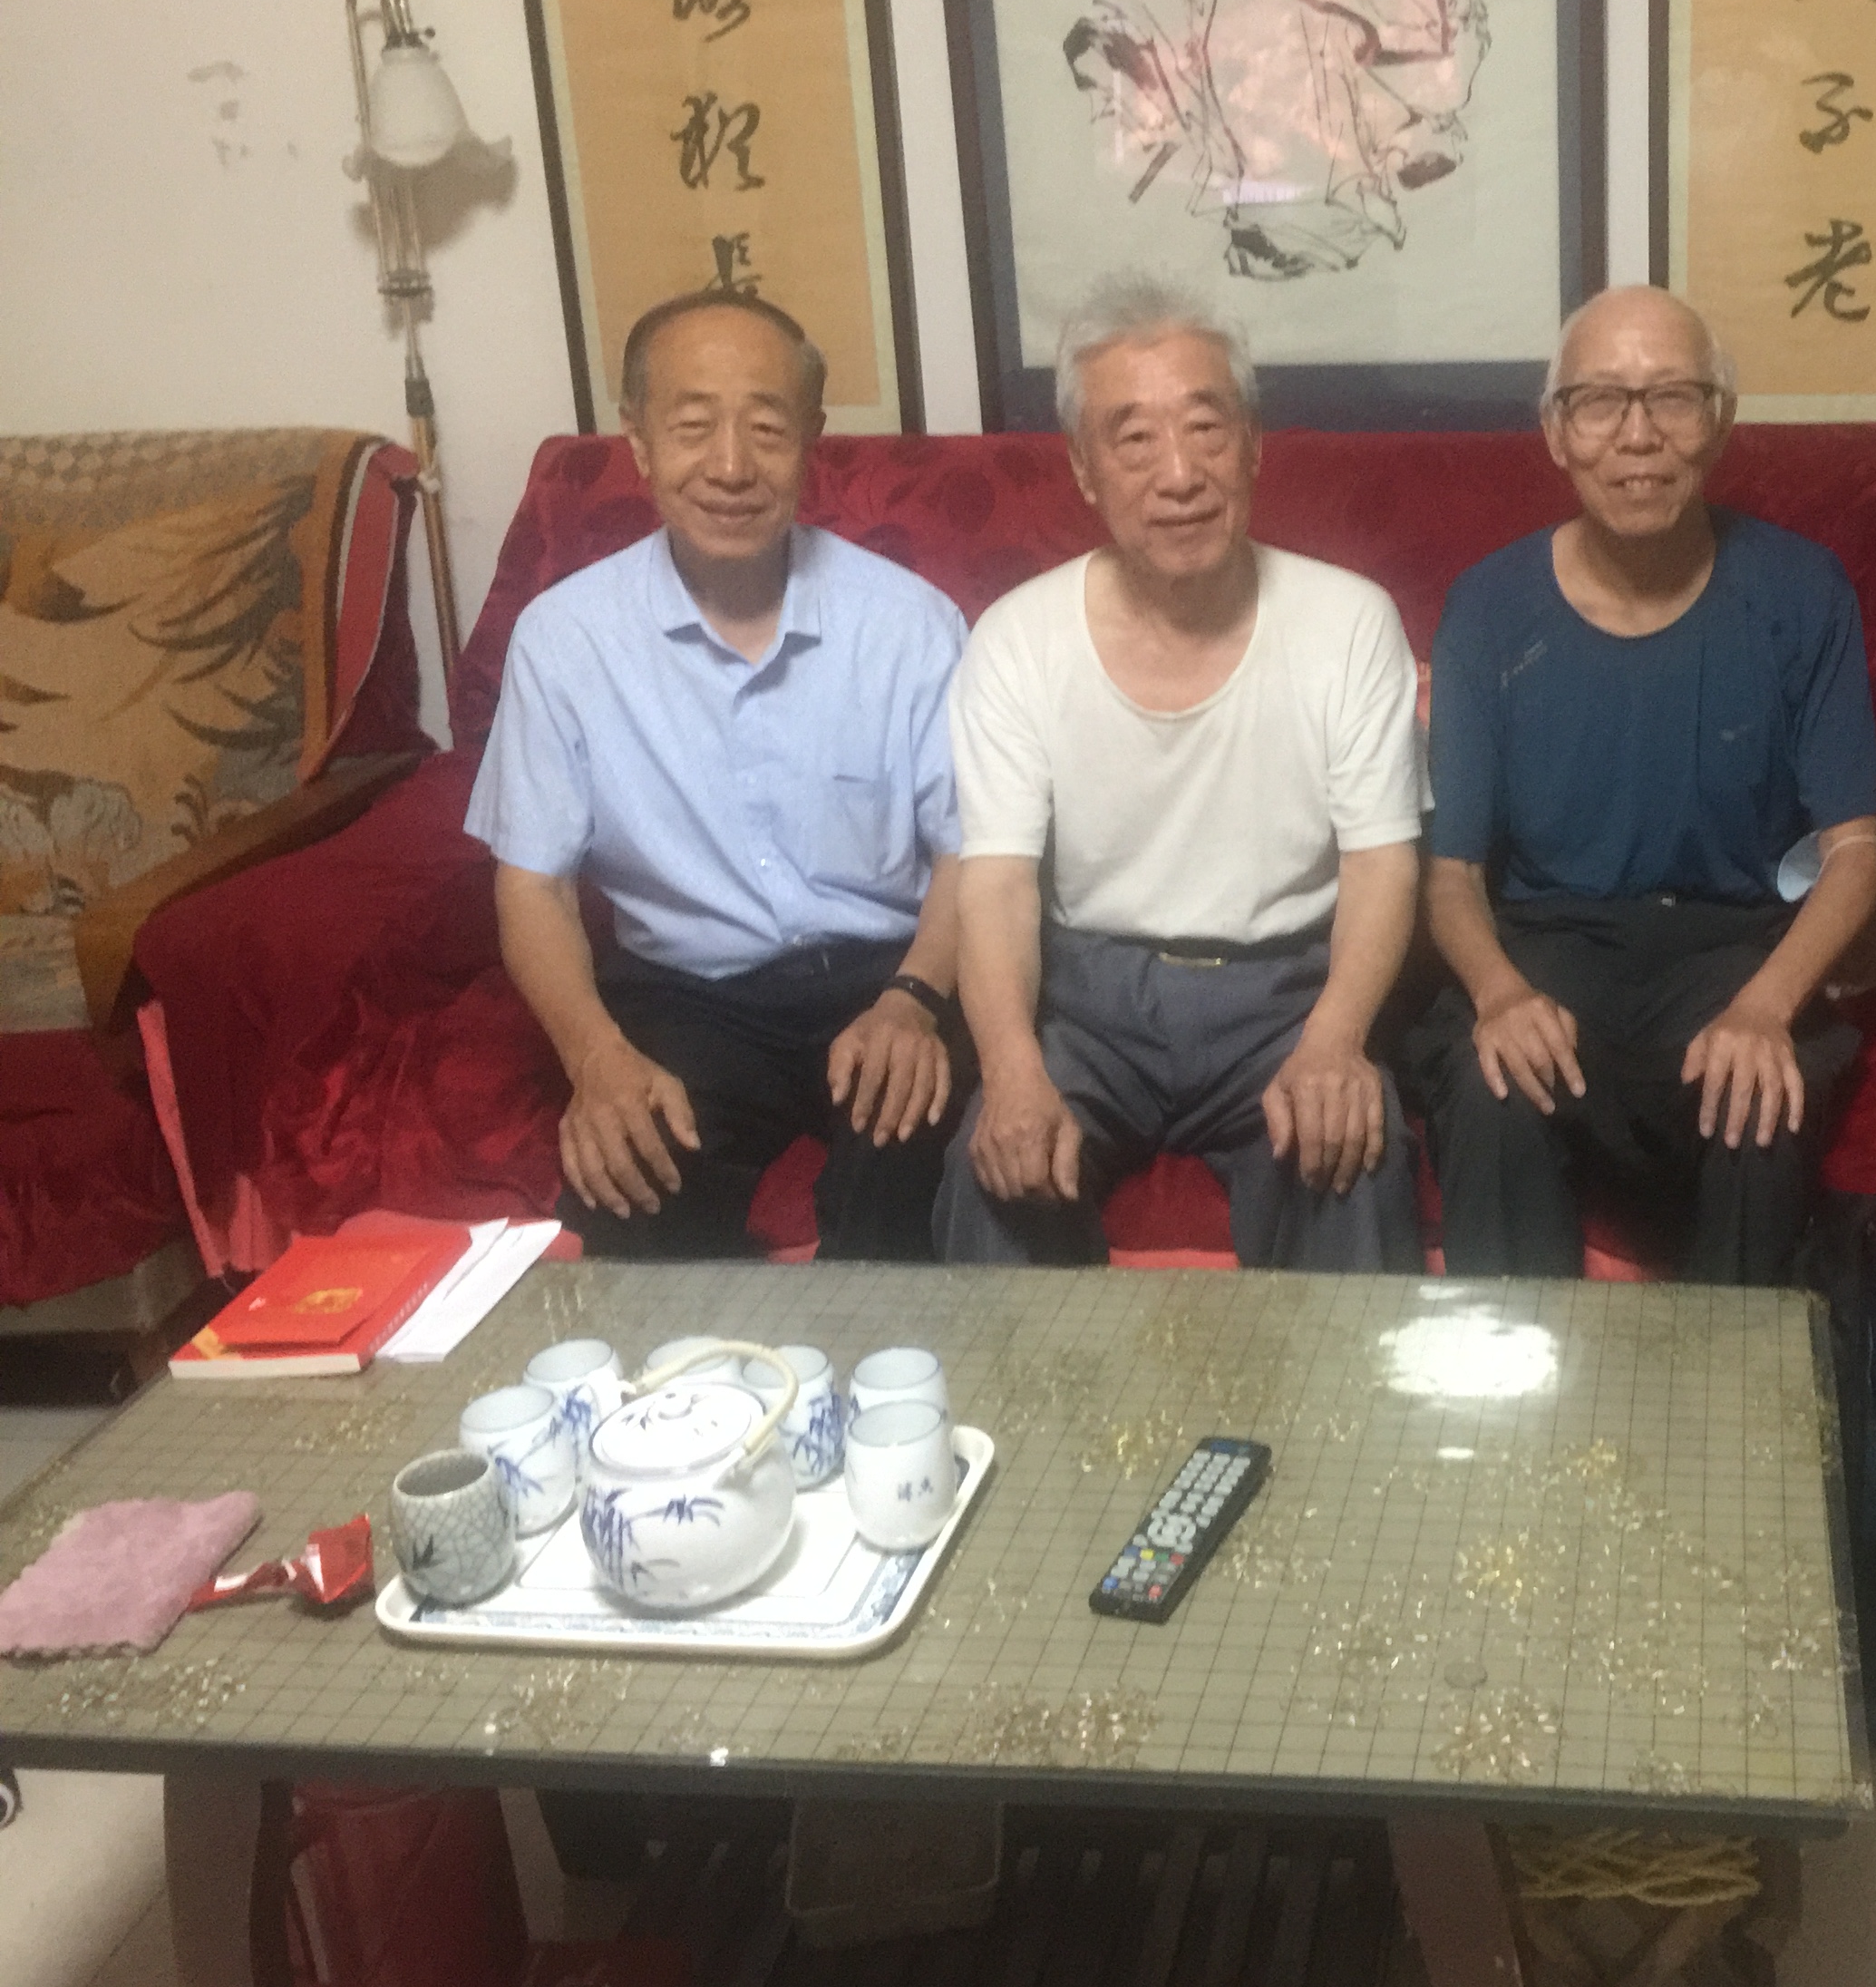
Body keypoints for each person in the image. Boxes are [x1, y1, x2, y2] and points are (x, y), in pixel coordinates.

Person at [935, 274, 1423, 1270]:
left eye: (1206, 429)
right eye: (1134, 439)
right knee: (994, 1174)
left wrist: (1336, 1040)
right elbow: (996, 884)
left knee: (1354, 1158)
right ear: (1084, 469)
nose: (1179, 475)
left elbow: (1380, 864)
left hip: (1286, 992)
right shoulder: (1017, 638)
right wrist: (1013, 1069)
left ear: (1253, 445)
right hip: (1087, 999)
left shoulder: (1348, 620)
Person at [470, 292, 968, 1261]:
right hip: (687, 994)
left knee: (900, 1196)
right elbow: (533, 885)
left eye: (767, 429)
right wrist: (595, 1057)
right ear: (639, 440)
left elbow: (971, 850)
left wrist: (916, 1002)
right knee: (631, 1201)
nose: (732, 467)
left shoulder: (908, 623)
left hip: (889, 973)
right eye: (694, 427)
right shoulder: (566, 640)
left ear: (812, 439)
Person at [1410, 285, 1876, 1285]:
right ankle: (1516, 1384)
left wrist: (1766, 1007)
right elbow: (1451, 876)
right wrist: (1499, 994)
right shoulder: (1490, 606)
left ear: (1720, 421)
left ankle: (1739, 1387)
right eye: (1599, 402)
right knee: (1493, 1084)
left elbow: (1855, 851)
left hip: (1731, 952)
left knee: (1760, 1100)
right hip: (1547, 949)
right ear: (1556, 432)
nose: (1637, 436)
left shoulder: (1802, 591)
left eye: (1672, 397)